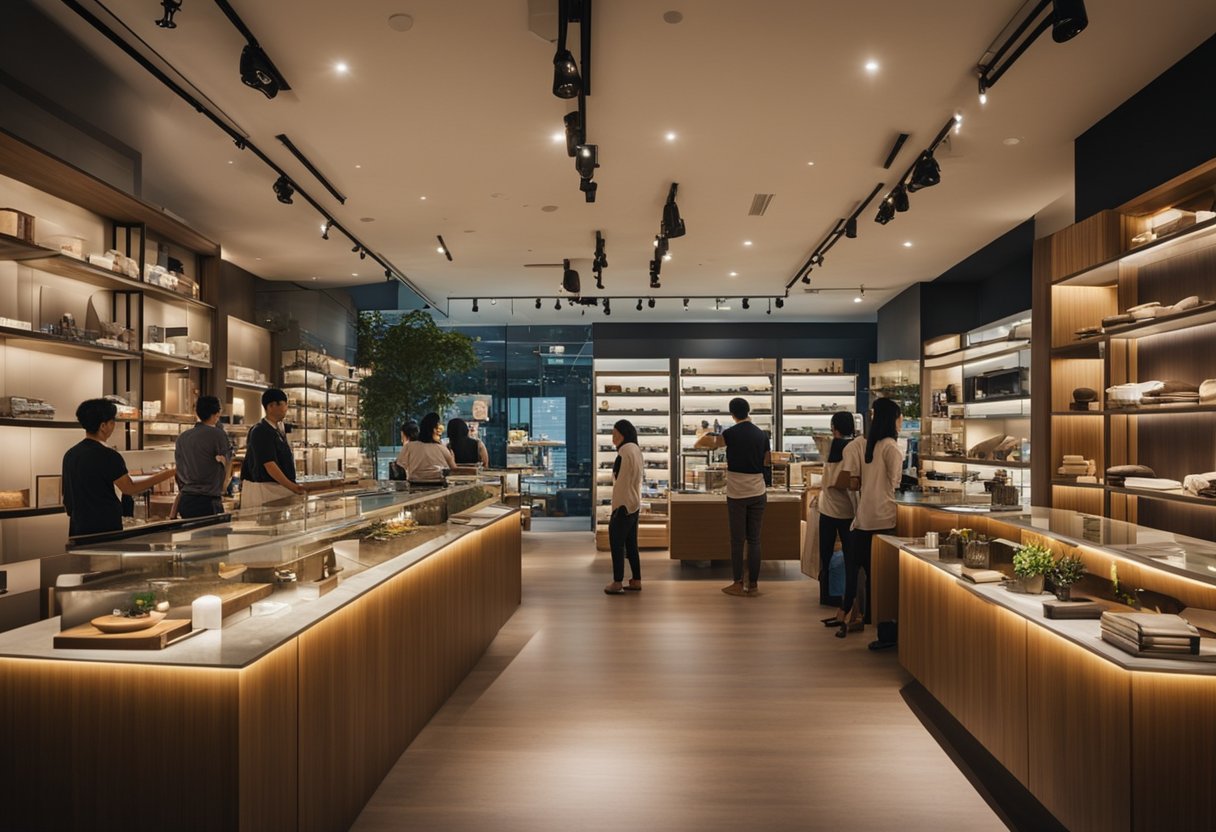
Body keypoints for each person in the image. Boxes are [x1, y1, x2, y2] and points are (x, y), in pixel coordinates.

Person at [834, 397, 903, 638]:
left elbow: (858, 482)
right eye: (899, 416)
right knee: (879, 576)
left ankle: (850, 613)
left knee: (858, 569)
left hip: (864, 517)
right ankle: (878, 622)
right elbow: (895, 483)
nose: (901, 421)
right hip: (885, 517)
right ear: (892, 419)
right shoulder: (891, 447)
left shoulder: (868, 446)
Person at [62, 398, 176, 538]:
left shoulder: (71, 454)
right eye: (112, 422)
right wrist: (170, 472)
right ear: (103, 426)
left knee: (82, 559)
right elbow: (129, 488)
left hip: (78, 527)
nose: (114, 425)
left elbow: (67, 499)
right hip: (105, 528)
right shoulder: (108, 455)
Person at [696, 397, 771, 596]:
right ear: (748, 411)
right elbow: (767, 462)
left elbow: (709, 445)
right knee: (754, 540)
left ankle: (738, 583)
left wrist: (706, 433)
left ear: (732, 413)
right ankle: (753, 584)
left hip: (737, 493)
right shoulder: (762, 434)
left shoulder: (729, 433)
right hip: (758, 491)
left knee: (738, 540)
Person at [817, 412, 859, 618]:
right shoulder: (855, 447)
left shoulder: (830, 446)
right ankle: (848, 597)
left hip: (827, 509)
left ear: (834, 427)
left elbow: (827, 477)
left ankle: (826, 593)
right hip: (848, 510)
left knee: (825, 554)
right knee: (851, 557)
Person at [240, 388, 307, 509]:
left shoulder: (277, 429)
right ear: (271, 406)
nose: (286, 408)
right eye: (283, 404)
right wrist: (293, 487)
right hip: (265, 490)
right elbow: (270, 465)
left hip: (275, 490)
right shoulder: (261, 430)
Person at [173, 395, 234, 519]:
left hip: (186, 500)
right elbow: (228, 462)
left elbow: (178, 469)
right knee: (213, 537)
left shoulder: (182, 437)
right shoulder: (218, 434)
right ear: (217, 413)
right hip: (208, 501)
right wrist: (223, 487)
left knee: (194, 538)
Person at [603, 419, 643, 595]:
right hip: (634, 503)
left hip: (622, 504)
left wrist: (616, 506)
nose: (613, 439)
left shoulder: (623, 452)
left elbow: (619, 479)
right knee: (632, 544)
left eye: (615, 435)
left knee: (617, 544)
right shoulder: (636, 449)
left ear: (623, 435)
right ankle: (636, 580)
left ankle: (617, 582)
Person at [396, 412, 457, 484]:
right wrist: (452, 458)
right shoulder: (442, 448)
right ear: (434, 430)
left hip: (415, 485)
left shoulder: (409, 447)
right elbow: (454, 468)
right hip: (438, 486)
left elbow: (400, 466)